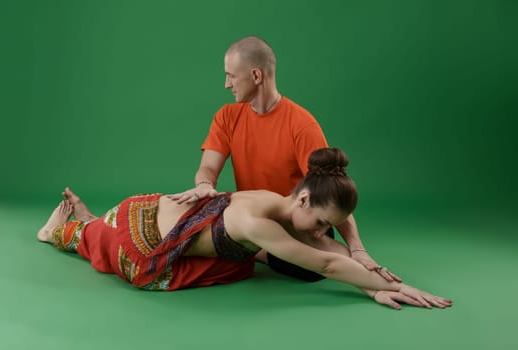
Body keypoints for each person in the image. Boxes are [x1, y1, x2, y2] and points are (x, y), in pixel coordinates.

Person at [38, 148, 451, 310]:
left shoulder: (276, 200)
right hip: (143, 245)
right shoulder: (258, 223)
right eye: (324, 223)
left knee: (99, 228)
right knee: (87, 239)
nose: (324, 232)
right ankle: (61, 229)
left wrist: (372, 280)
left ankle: (89, 221)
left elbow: (331, 253)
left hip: (150, 211)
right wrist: (380, 285)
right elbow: (326, 264)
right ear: (304, 199)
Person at [169, 36, 397, 283]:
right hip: (257, 218)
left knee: (312, 269)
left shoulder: (301, 125)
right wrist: (204, 184)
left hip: (300, 223)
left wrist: (357, 248)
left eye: (231, 76)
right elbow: (208, 167)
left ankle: (262, 251)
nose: (226, 84)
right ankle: (264, 250)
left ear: (256, 76)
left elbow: (331, 191)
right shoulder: (226, 116)